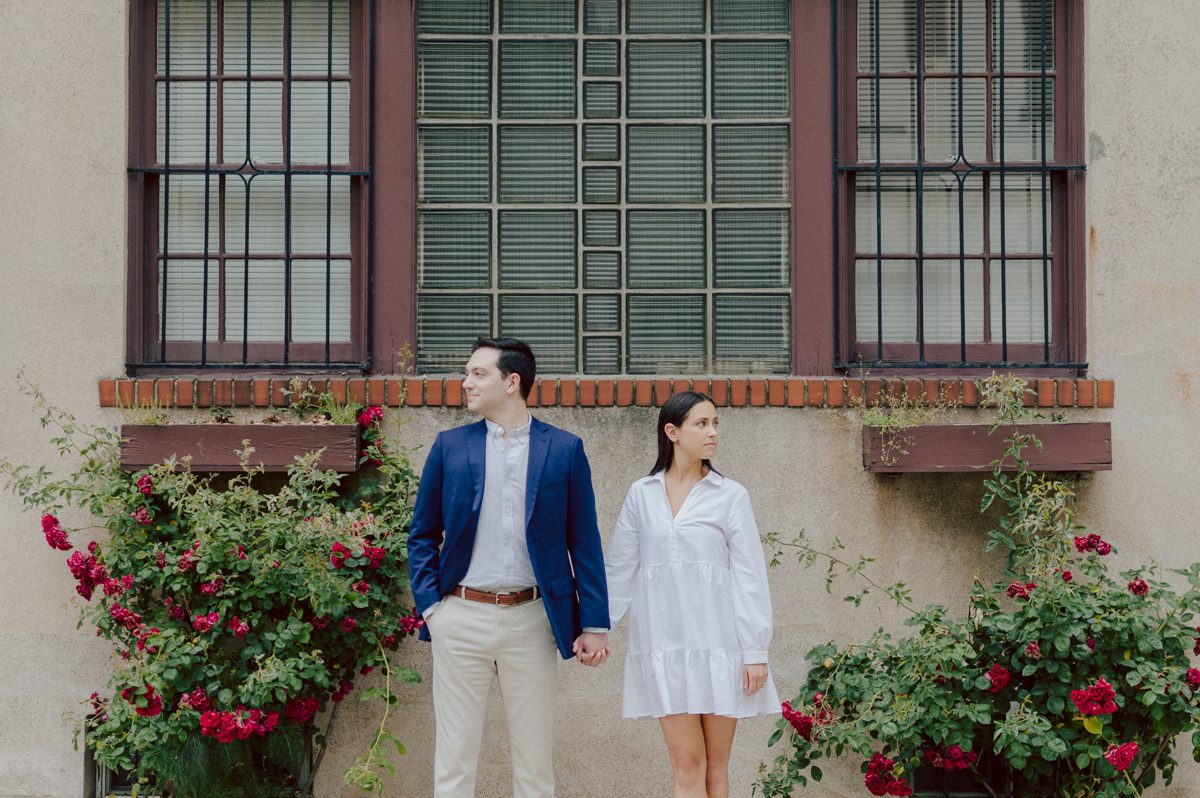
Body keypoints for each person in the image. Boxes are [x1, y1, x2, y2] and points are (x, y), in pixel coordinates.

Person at [407, 337, 611, 798]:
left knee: (535, 765)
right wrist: (433, 610)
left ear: (512, 381)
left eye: (478, 373)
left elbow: (584, 541)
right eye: (467, 373)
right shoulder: (450, 447)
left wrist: (594, 623)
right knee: (454, 762)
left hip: (532, 619)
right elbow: (422, 535)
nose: (466, 382)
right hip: (460, 616)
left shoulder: (564, 450)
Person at [605, 391, 779, 798]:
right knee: (687, 765)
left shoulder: (730, 495)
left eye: (715, 423)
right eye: (702, 424)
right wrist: (596, 628)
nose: (713, 432)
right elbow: (619, 569)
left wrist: (755, 651)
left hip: (721, 647)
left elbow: (750, 576)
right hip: (664, 647)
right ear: (673, 432)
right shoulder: (642, 494)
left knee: (716, 769)